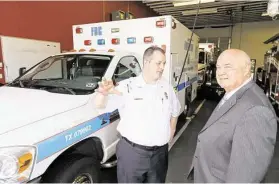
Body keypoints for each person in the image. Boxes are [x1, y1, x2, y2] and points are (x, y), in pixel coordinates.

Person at [187, 49, 277, 183]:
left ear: (247, 69)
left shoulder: (256, 111)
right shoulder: (235, 93)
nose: (221, 72)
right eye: (218, 67)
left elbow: (244, 178)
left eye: (228, 67)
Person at [94, 46, 181, 183]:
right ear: (146, 62)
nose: (162, 67)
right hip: (132, 154)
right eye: (158, 63)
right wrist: (103, 92)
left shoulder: (166, 87)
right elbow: (101, 106)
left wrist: (171, 131)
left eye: (164, 63)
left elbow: (175, 110)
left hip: (159, 155)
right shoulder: (128, 86)